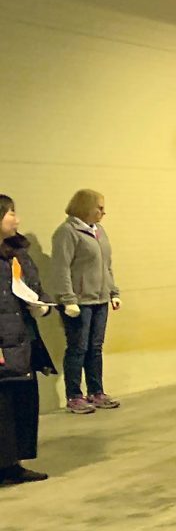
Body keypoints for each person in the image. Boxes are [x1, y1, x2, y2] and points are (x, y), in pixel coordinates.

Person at [0, 196, 56, 484]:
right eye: (11, 213)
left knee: (21, 404)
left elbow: (35, 289)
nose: (17, 219)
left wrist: (42, 306)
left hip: (23, 339)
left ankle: (13, 463)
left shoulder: (19, 254)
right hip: (3, 343)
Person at [51, 188, 120, 414]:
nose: (103, 212)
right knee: (78, 348)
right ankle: (74, 395)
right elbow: (61, 267)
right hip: (78, 303)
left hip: (99, 300)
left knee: (95, 348)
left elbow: (106, 265)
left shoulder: (99, 231)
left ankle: (96, 391)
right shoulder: (67, 232)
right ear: (85, 207)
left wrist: (113, 292)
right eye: (99, 207)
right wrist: (68, 299)